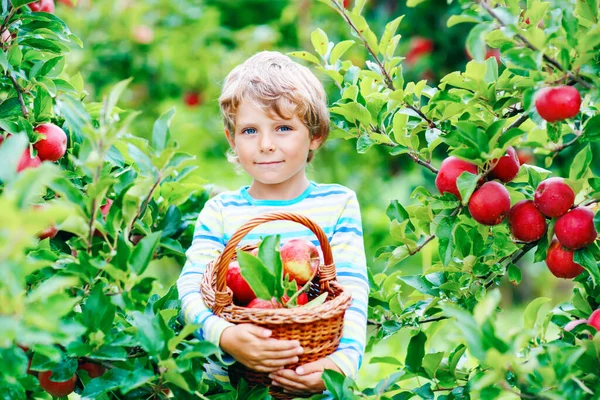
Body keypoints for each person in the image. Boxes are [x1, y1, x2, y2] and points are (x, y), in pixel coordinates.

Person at [177, 51, 369, 396]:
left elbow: (352, 290)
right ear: (231, 138)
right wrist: (224, 335)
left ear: (315, 135)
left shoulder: (337, 205)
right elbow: (191, 289)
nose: (266, 145)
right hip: (230, 387)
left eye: (283, 128)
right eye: (250, 130)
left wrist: (340, 366)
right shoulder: (220, 211)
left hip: (311, 377)